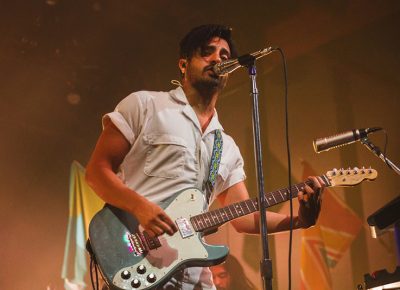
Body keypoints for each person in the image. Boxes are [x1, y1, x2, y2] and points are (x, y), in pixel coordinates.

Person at [85, 24, 324, 290]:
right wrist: (140, 207)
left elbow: (244, 218)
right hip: (136, 259)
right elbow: (97, 172)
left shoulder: (226, 146)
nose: (218, 59)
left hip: (194, 278)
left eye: (224, 55)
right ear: (184, 64)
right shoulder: (145, 105)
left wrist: (301, 220)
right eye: (207, 52)